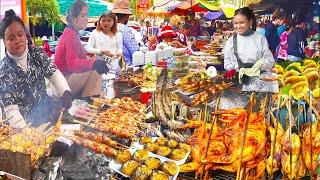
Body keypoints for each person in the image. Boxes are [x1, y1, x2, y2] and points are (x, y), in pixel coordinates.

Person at [0, 9, 72, 128]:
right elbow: (10, 109)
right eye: (11, 38)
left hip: (45, 117)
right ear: (4, 41)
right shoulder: (3, 71)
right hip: (20, 128)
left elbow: (53, 73)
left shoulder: (37, 54)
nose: (17, 40)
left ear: (25, 34)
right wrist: (27, 135)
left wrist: (65, 91)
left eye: (20, 34)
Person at [54, 0, 109, 99]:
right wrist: (93, 63)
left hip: (62, 83)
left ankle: (90, 98)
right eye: (83, 16)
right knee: (96, 68)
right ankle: (90, 100)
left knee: (95, 64)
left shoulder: (71, 33)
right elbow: (73, 64)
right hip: (62, 86)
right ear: (74, 19)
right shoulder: (71, 35)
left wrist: (93, 60)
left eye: (86, 15)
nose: (86, 19)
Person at [223, 7, 277, 93]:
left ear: (250, 22)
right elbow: (227, 61)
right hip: (238, 85)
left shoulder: (260, 38)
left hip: (258, 84)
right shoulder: (231, 41)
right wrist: (231, 70)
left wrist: (257, 67)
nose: (238, 26)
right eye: (235, 23)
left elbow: (270, 60)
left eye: (242, 22)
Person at [87, 12, 123, 99]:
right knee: (102, 89)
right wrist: (101, 51)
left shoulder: (118, 34)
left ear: (114, 22)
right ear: (99, 21)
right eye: (103, 21)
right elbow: (88, 48)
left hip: (115, 66)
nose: (106, 23)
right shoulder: (94, 33)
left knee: (114, 88)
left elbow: (119, 49)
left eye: (109, 21)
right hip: (100, 66)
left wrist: (119, 53)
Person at [112, 0, 139, 65]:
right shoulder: (124, 28)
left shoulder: (109, 27)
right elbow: (135, 51)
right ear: (125, 16)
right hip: (125, 67)